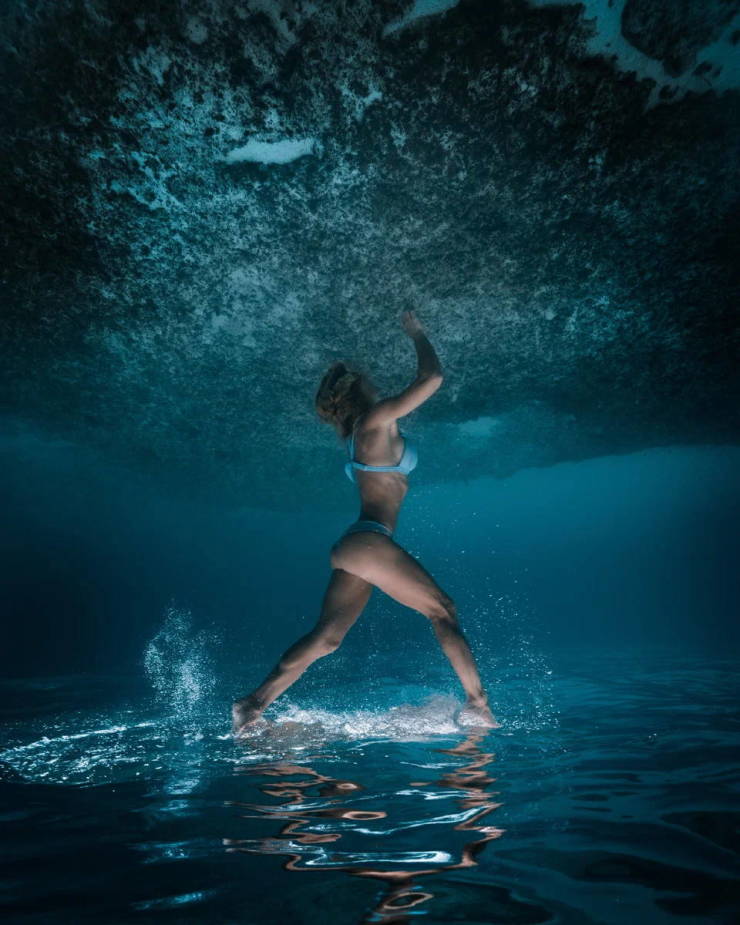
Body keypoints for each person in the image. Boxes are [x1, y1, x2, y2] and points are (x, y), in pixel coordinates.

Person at [232, 309, 499, 736]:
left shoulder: (361, 434)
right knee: (443, 610)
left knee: (328, 638)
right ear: (360, 390)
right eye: (367, 378)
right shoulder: (375, 421)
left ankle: (252, 703)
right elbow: (432, 379)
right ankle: (478, 705)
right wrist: (417, 332)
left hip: (355, 544)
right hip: (369, 542)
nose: (375, 381)